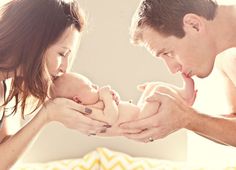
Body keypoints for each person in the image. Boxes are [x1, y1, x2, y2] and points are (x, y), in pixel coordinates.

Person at [0, 0, 112, 169]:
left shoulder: (7, 85)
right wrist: (46, 115)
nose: (65, 68)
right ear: (33, 42)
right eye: (62, 53)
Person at [119, 0, 236, 146]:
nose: (173, 69)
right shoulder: (225, 56)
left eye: (168, 53)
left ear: (194, 25)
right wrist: (181, 112)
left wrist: (187, 117)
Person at [51, 72, 196, 138]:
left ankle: (182, 95)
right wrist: (107, 98)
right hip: (140, 122)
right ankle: (184, 99)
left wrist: (114, 98)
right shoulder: (88, 113)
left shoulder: (96, 102)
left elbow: (117, 108)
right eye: (89, 86)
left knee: (153, 86)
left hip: (139, 113)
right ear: (77, 100)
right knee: (159, 91)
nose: (95, 85)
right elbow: (110, 120)